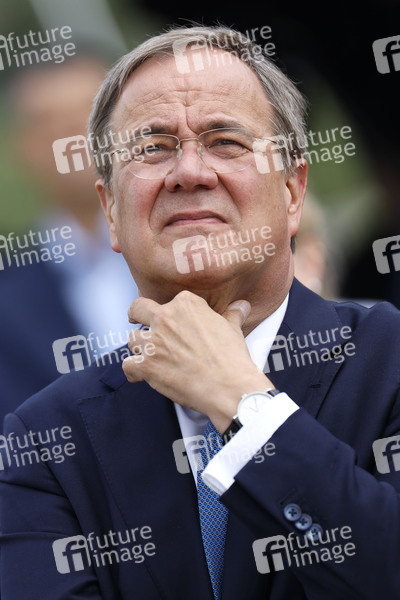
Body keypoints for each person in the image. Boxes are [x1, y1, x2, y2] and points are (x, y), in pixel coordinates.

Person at [1, 25, 400, 600]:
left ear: (293, 191)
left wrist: (244, 407)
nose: (189, 172)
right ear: (111, 211)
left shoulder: (389, 363)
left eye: (226, 142)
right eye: (153, 148)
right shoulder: (43, 440)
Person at [0, 57, 137, 420]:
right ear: (22, 146)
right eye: (47, 120)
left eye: (89, 113)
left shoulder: (204, 248)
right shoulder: (7, 297)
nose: (72, 135)